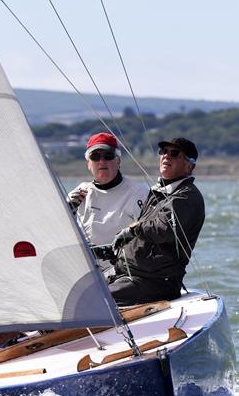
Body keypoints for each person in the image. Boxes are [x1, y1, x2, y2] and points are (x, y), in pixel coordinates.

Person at [108, 137, 205, 307]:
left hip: (156, 282)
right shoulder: (158, 191)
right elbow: (144, 231)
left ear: (189, 166)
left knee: (93, 302)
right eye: (164, 152)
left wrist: (131, 231)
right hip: (130, 275)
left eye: (174, 153)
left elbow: (163, 229)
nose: (167, 156)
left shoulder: (187, 196)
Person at [67, 132, 147, 273]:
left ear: (118, 161)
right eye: (95, 157)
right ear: (88, 164)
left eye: (108, 156)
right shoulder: (80, 192)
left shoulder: (139, 193)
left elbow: (149, 236)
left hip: (123, 272)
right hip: (84, 272)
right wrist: (67, 211)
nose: (102, 161)